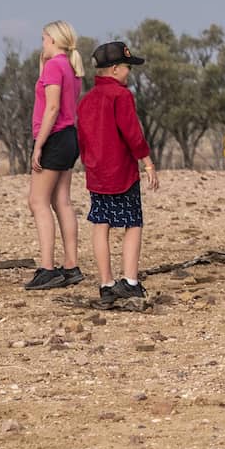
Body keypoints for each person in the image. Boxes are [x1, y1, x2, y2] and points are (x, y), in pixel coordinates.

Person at [76, 41, 159, 307]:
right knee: (132, 223)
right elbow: (132, 134)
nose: (129, 72)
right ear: (114, 69)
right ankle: (131, 281)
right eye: (127, 67)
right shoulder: (121, 96)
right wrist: (147, 162)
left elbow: (83, 139)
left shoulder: (86, 101)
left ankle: (106, 283)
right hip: (122, 173)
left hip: (97, 174)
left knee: (101, 224)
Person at [25, 21, 86, 291]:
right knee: (61, 200)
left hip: (54, 138)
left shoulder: (54, 66)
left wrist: (39, 145)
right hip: (70, 136)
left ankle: (47, 268)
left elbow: (51, 109)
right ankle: (71, 266)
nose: (41, 44)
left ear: (52, 39)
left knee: (37, 201)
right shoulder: (71, 67)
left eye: (43, 39)